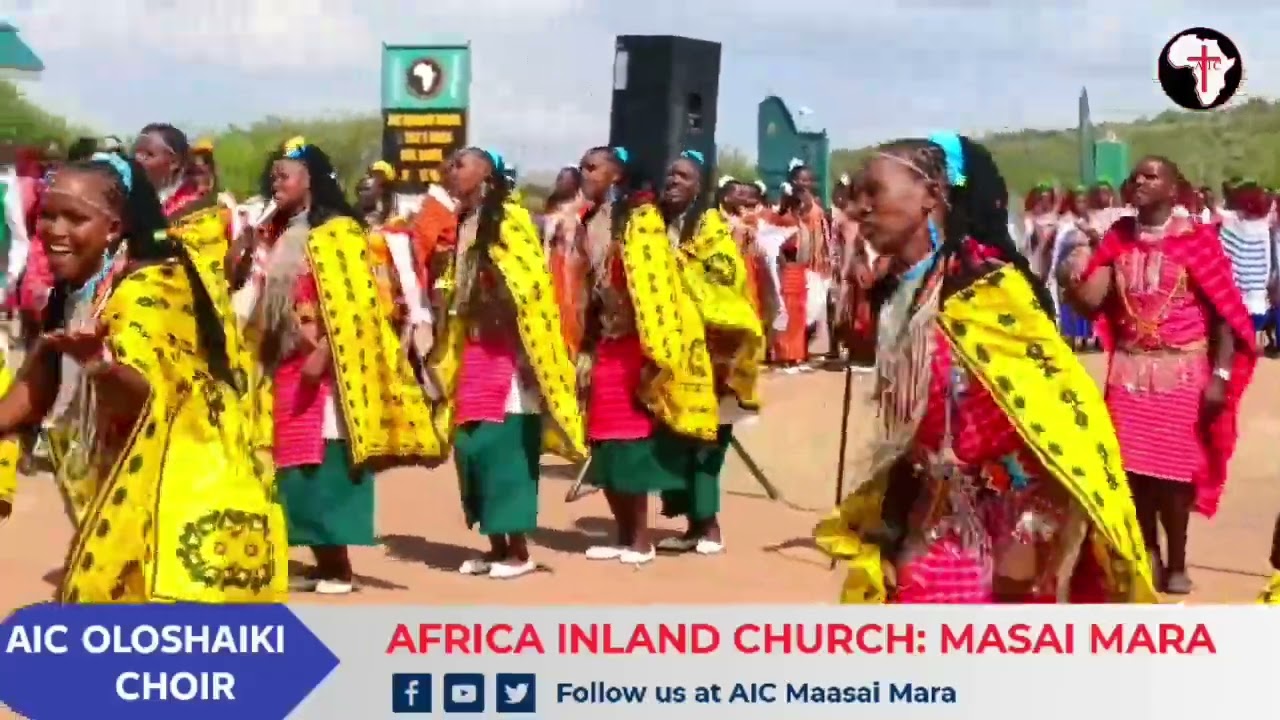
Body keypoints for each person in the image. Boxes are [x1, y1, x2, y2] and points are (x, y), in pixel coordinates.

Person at [814, 134, 1157, 604]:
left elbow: (1056, 419)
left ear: (932, 196)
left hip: (1010, 526)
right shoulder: (903, 291)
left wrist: (1034, 527)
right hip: (931, 515)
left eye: (875, 192)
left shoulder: (990, 292)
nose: (859, 209)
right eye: (856, 196)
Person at [0, 153, 286, 602]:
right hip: (129, 492)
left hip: (186, 492)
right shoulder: (79, 288)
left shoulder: (149, 288)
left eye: (74, 218)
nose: (54, 231)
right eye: (48, 215)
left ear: (114, 228)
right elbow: (35, 389)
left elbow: (145, 401)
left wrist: (98, 363)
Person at [235, 137, 439, 595]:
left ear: (310, 180)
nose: (277, 183)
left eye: (284, 175)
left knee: (326, 460)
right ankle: (322, 560)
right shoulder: (279, 230)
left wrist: (324, 352)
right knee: (294, 464)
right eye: (274, 176)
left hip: (328, 369)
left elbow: (358, 305)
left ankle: (338, 565)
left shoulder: (339, 231)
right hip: (287, 361)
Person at [1060, 156, 1258, 595]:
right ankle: (1146, 551)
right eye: (1137, 175)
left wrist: (1221, 375)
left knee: (1173, 475)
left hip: (1182, 373)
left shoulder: (1199, 242)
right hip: (1129, 373)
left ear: (1173, 189)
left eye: (1152, 176)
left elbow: (1225, 316)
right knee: (1133, 475)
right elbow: (1092, 303)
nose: (1140, 181)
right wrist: (1073, 268)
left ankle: (1177, 560)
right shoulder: (1118, 239)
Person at [422, 147, 585, 579]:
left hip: (509, 352)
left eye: (461, 164)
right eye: (450, 164)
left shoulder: (510, 218)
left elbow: (528, 285)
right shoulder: (464, 222)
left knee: (505, 448)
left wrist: (525, 348)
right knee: (471, 448)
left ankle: (518, 552)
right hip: (474, 350)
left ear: (487, 175)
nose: (450, 169)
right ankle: (495, 547)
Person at [574, 149, 721, 565]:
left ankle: (640, 540)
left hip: (637, 346)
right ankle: (624, 537)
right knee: (603, 440)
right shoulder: (594, 221)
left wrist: (657, 349)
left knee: (629, 442)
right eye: (583, 166)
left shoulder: (642, 221)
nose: (585, 173)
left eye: (593, 167)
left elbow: (656, 288)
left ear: (617, 174)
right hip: (606, 343)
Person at [652, 154, 764, 555]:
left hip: (714, 354)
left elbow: (728, 294)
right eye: (670, 173)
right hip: (672, 354)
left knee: (707, 443)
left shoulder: (715, 236)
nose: (673, 181)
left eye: (683, 176)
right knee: (675, 437)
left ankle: (708, 525)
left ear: (700, 188)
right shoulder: (657, 230)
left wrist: (721, 355)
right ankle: (691, 524)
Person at [134, 124, 229, 267]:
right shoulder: (166, 199)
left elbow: (170, 234)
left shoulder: (217, 206)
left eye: (205, 163)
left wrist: (148, 238)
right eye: (191, 170)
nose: (139, 160)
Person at [543, 162, 589, 355]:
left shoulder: (581, 210)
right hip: (552, 264)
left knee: (570, 311)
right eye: (559, 178)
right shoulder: (552, 208)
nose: (561, 182)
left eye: (566, 178)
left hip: (570, 268)